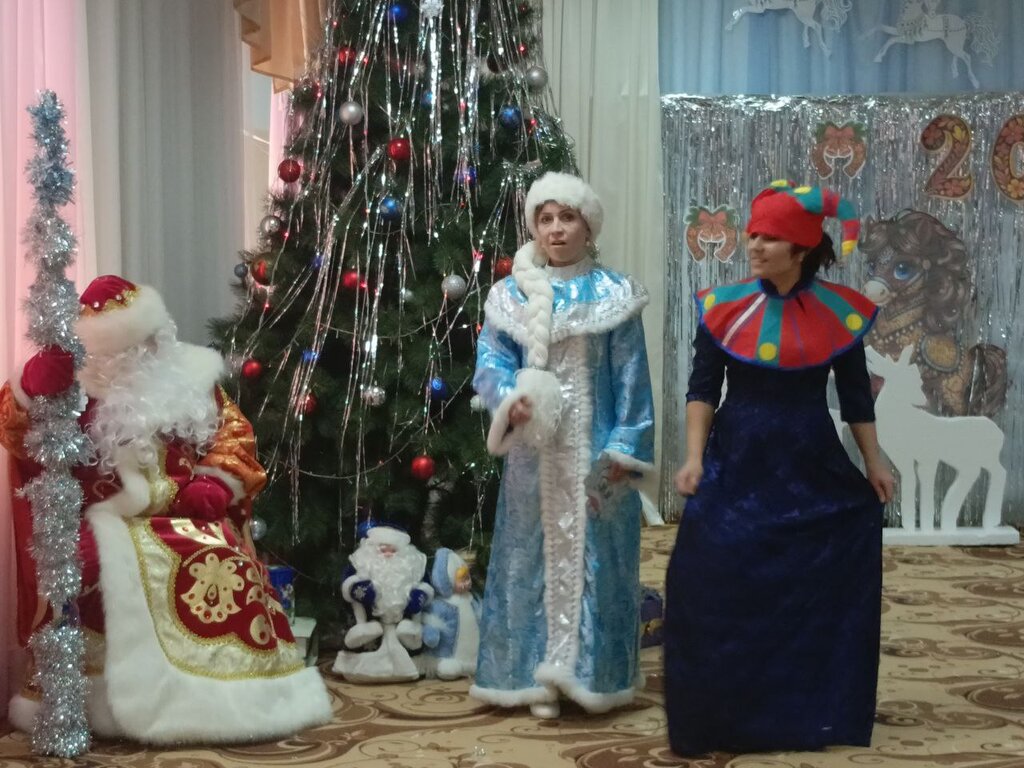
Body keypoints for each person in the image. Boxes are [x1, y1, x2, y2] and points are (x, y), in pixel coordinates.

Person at [0, 275, 331, 744]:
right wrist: (32, 388)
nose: (140, 353)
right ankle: (104, 701)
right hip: (105, 519)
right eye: (123, 349)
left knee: (224, 558)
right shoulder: (68, 392)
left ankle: (230, 697)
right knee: (93, 567)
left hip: (190, 514)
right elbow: (17, 433)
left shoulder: (191, 378)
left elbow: (234, 436)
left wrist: (215, 482)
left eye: (145, 341)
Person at [663, 180, 896, 755]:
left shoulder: (838, 315)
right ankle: (720, 709)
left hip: (809, 461)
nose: (754, 245)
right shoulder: (722, 308)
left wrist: (874, 462)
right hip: (736, 459)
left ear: (801, 248)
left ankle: (808, 708)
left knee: (808, 577)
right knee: (707, 573)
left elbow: (855, 399)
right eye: (752, 235)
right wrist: (693, 458)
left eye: (768, 237)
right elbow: (702, 390)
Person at [471, 172, 655, 719]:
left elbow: (633, 382)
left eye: (567, 218)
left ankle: (591, 676)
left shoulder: (614, 294)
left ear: (587, 227)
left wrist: (623, 448)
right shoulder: (511, 295)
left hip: (596, 457)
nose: (555, 229)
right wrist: (510, 399)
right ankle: (529, 677)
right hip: (534, 458)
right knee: (527, 557)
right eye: (545, 219)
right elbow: (490, 364)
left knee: (601, 561)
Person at [334, 523, 433, 683]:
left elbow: (425, 587)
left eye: (393, 550)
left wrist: (420, 596)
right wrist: (357, 590)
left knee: (408, 633)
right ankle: (360, 665)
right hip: (371, 626)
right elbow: (348, 584)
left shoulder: (413, 570)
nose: (388, 554)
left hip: (402, 626)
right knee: (365, 634)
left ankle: (409, 655)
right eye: (383, 549)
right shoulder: (360, 564)